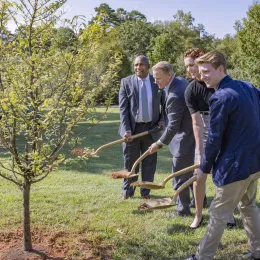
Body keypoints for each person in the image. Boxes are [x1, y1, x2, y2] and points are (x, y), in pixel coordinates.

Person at [186, 51, 260, 260]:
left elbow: (214, 138)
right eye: (201, 72)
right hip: (254, 163)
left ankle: (202, 257)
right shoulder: (247, 86)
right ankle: (257, 251)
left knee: (218, 213)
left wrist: (203, 168)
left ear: (221, 69)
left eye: (207, 71)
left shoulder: (220, 97)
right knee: (248, 206)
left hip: (236, 167)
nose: (203, 76)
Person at [184, 48, 236, 229]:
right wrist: (200, 151)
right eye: (188, 66)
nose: (190, 70)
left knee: (223, 174)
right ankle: (198, 215)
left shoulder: (219, 84)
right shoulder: (191, 90)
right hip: (205, 129)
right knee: (198, 175)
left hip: (224, 129)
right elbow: (197, 123)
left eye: (192, 65)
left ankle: (228, 214)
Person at [149, 61, 195, 217]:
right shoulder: (180, 81)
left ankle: (183, 211)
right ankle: (198, 201)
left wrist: (159, 143)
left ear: (169, 75)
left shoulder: (175, 94)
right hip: (190, 137)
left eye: (158, 78)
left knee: (180, 176)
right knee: (191, 174)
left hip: (184, 140)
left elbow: (173, 126)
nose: (155, 82)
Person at [118, 55, 163, 200]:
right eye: (136, 65)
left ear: (148, 66)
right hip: (132, 130)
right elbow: (123, 108)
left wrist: (162, 120)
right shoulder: (126, 82)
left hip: (151, 130)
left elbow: (165, 104)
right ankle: (128, 191)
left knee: (149, 162)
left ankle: (146, 192)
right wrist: (126, 129)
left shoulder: (156, 82)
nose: (138, 67)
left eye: (142, 65)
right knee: (130, 161)